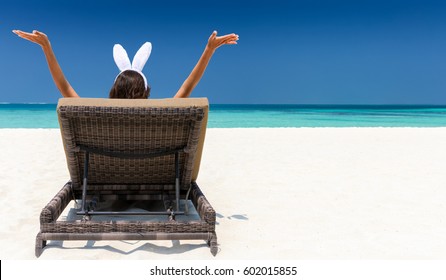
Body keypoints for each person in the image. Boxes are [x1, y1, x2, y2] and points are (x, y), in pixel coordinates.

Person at [12, 29, 239, 99]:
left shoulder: (95, 114)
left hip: (104, 180)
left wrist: (46, 47)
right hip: (155, 181)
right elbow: (188, 85)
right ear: (145, 91)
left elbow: (63, 86)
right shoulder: (163, 114)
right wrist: (209, 50)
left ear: (113, 90)